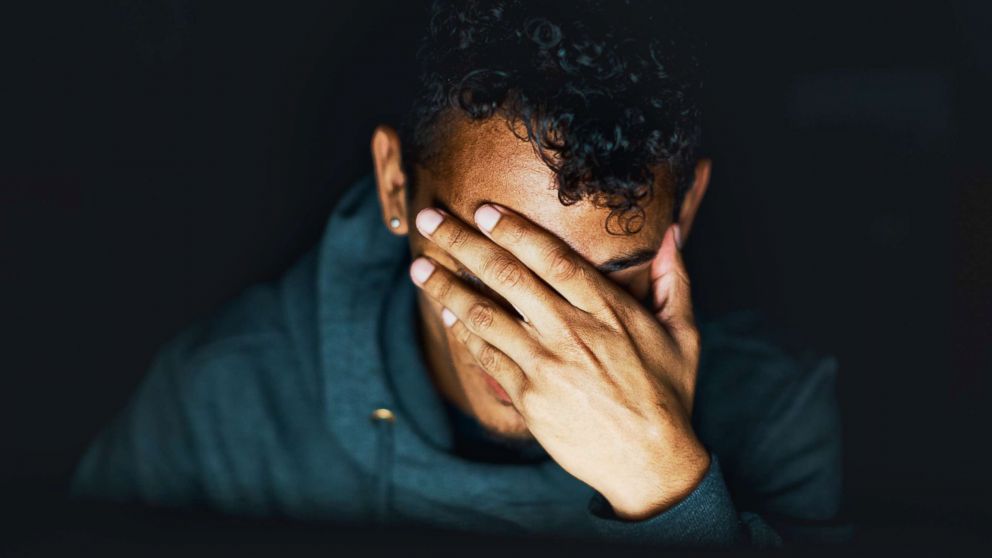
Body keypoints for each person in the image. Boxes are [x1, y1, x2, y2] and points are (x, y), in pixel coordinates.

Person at [72, 0, 844, 548]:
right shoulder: (221, 403)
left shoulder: (775, 414)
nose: (545, 337)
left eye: (612, 280)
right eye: (498, 267)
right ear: (395, 186)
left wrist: (670, 491)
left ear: (690, 205)